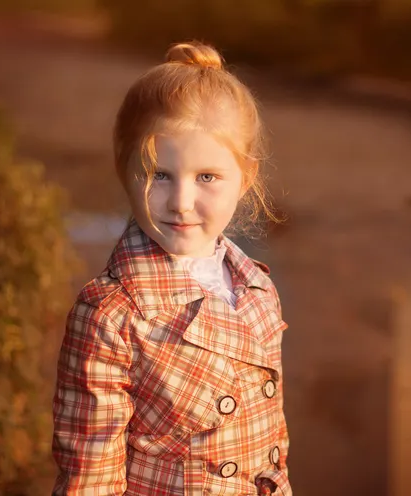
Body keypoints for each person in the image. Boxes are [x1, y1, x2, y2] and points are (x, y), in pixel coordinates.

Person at [51, 41, 291, 495]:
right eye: (159, 174)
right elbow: (90, 477)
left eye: (207, 177)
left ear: (247, 177)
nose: (180, 202)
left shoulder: (257, 288)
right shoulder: (112, 315)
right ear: (125, 170)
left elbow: (271, 444)